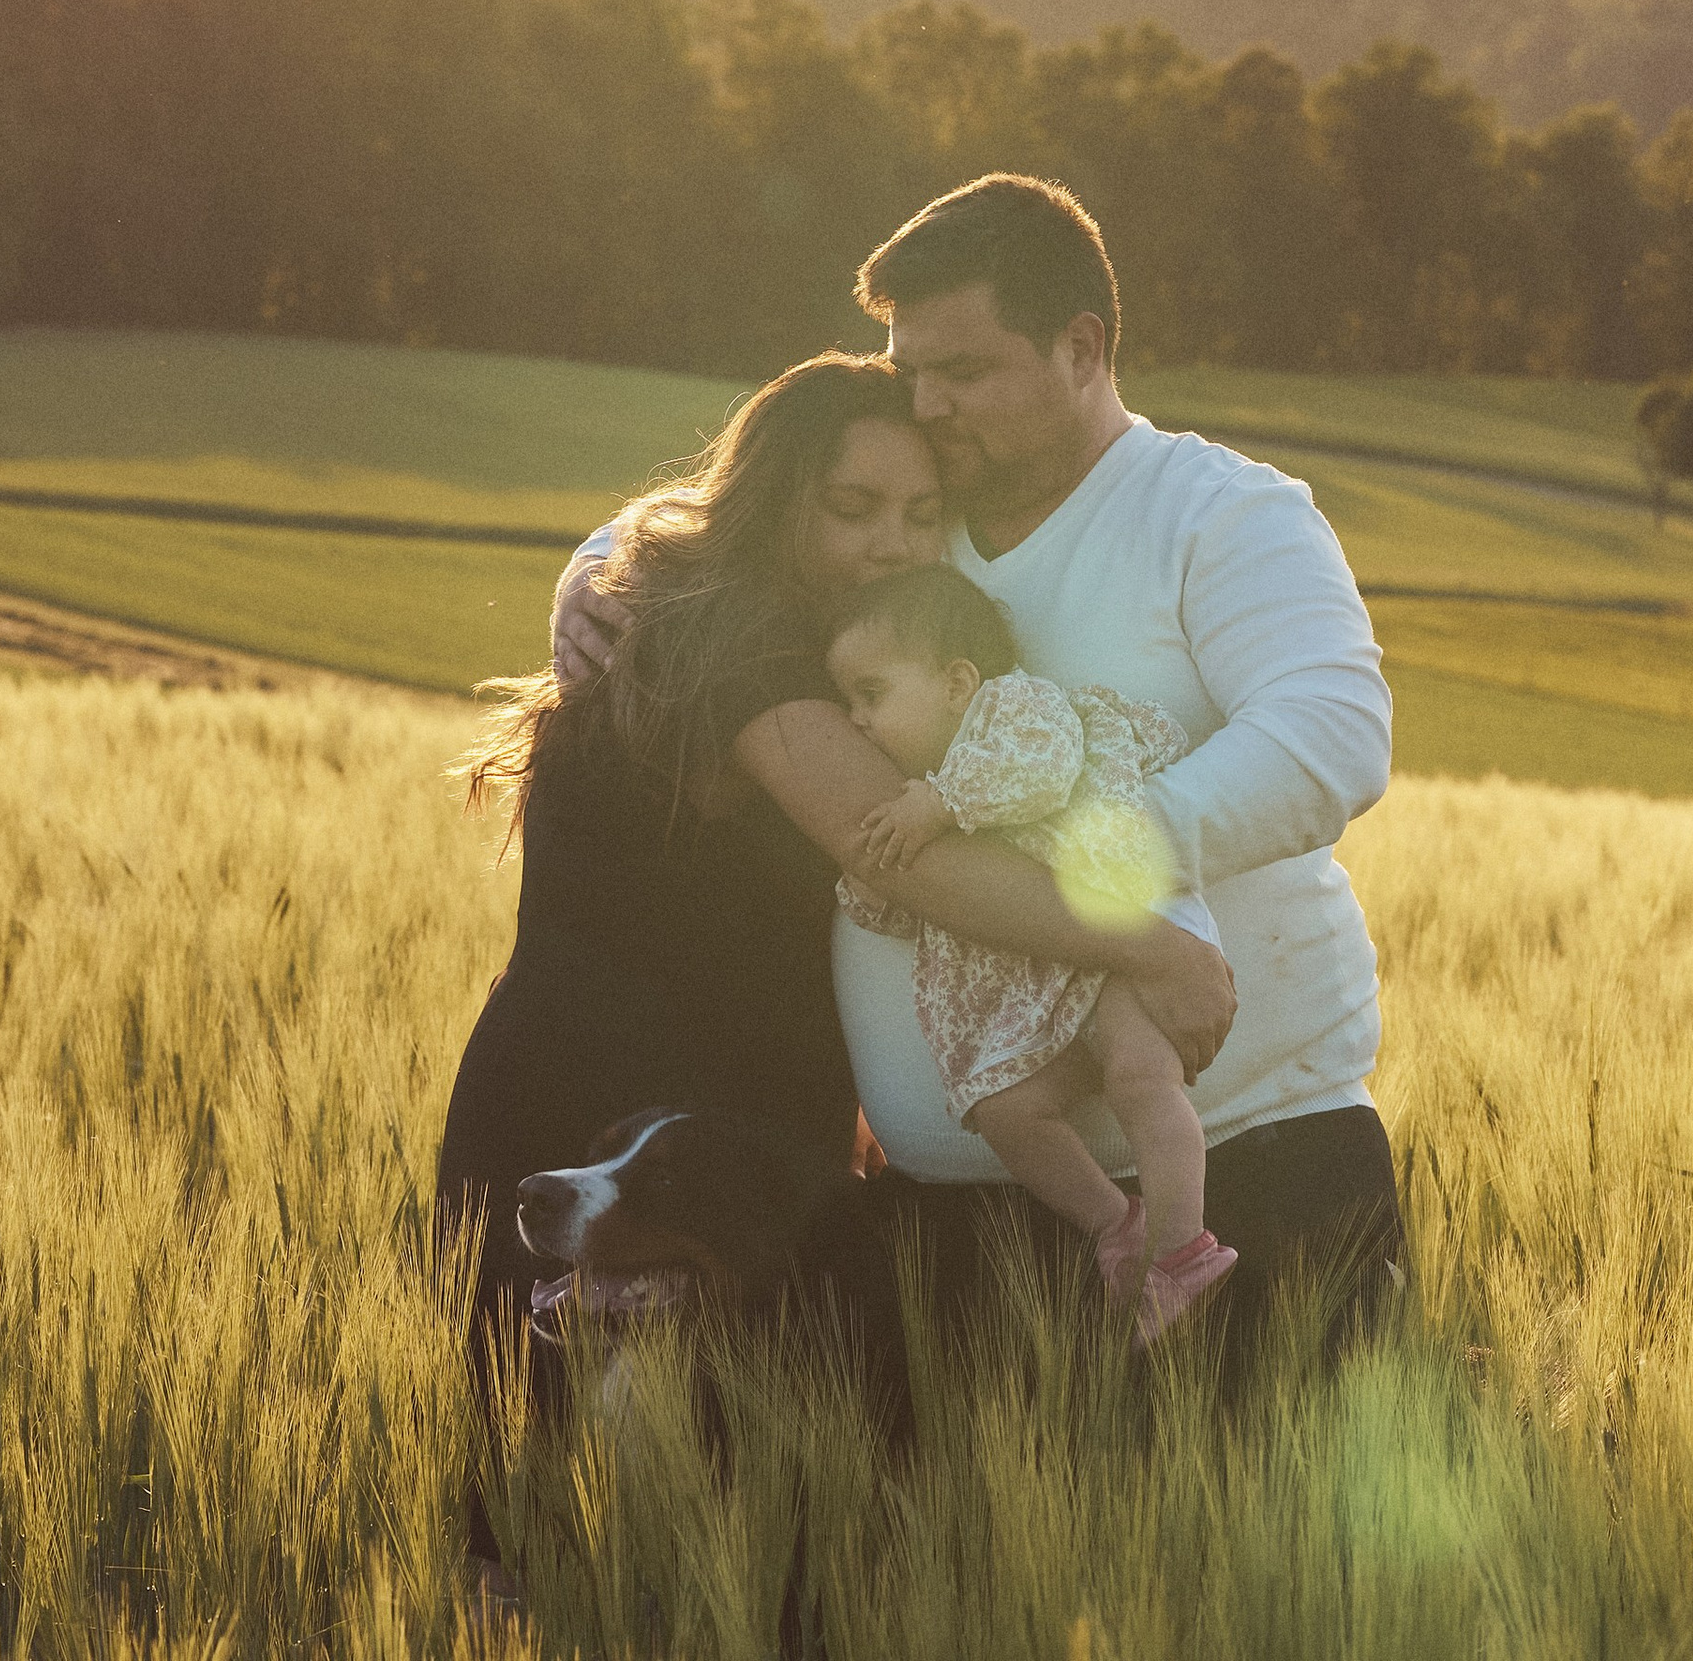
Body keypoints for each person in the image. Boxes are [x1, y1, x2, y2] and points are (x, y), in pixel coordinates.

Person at [556, 168, 1399, 1347]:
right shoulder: (910, 517)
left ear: (1081, 346)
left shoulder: (1222, 516)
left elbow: (1330, 739)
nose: (930, 407)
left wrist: (1095, 866)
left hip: (1249, 1181)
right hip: (942, 1220)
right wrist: (593, 565)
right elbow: (726, 514)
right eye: (910, 374)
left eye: (963, 373)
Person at [439, 351, 1234, 1575]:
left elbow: (644, 537)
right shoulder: (738, 639)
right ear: (774, 501)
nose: (890, 543)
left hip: (740, 1118)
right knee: (548, 1509)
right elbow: (905, 862)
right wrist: (1153, 947)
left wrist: (590, 557)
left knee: (731, 1522)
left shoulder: (818, 636)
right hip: (608, 1115)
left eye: (923, 514)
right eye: (849, 507)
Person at [825, 561, 1236, 1340]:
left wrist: (941, 804)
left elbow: (1044, 772)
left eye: (871, 694)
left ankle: (1182, 1251)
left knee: (1140, 1076)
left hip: (1114, 936)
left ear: (956, 682)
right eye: (847, 703)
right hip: (1036, 979)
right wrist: (878, 882)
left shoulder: (1016, 710)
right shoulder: (924, 793)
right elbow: (921, 909)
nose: (855, 720)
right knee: (1004, 1109)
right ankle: (1117, 1229)